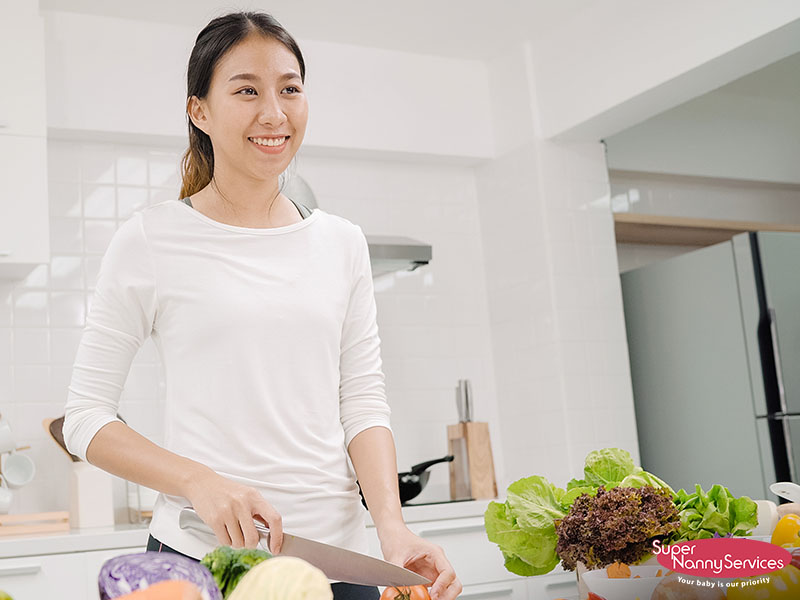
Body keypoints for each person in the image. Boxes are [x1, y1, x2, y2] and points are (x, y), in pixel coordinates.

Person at [62, 11, 461, 600]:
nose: (273, 112)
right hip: (204, 559)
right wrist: (198, 481)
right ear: (198, 110)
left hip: (341, 561)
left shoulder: (341, 241)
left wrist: (392, 527)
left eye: (290, 89)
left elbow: (363, 403)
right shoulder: (150, 239)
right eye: (246, 89)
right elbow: (85, 419)